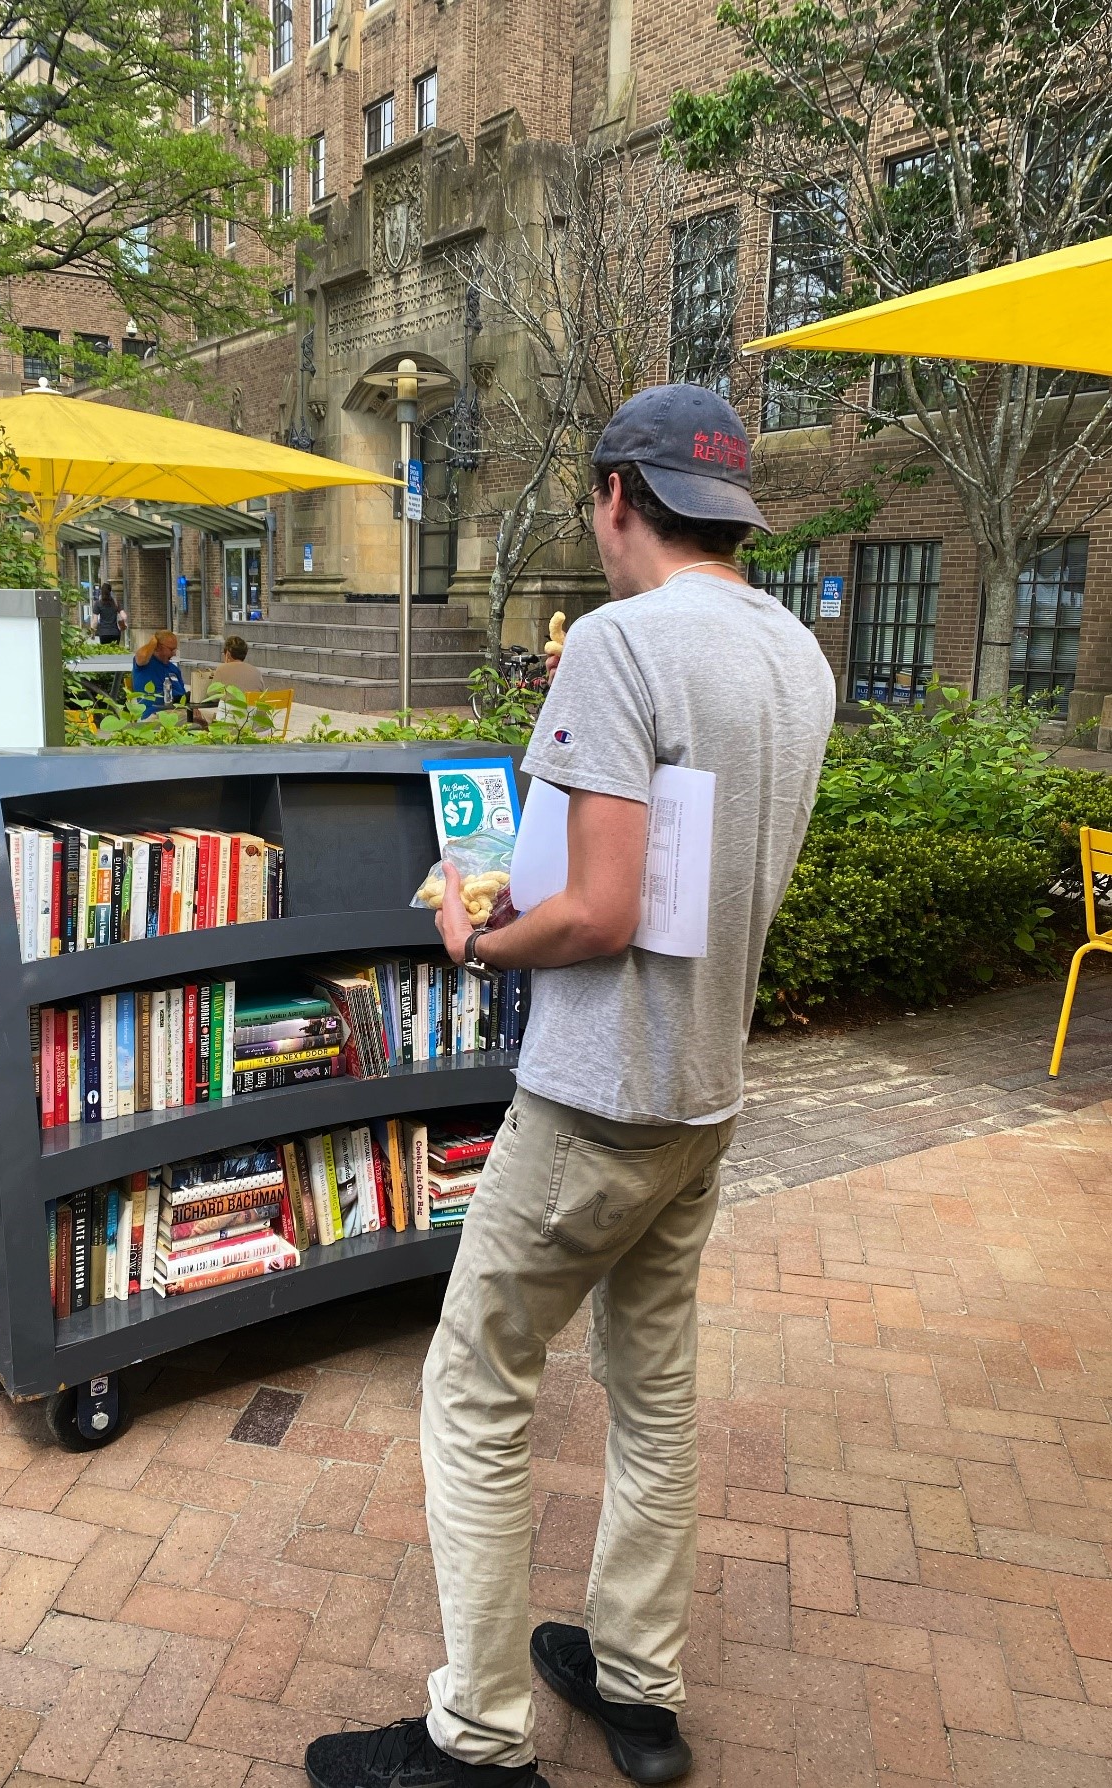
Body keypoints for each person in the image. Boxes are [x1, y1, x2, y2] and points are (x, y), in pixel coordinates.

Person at [303, 385, 835, 1788]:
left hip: (594, 1095)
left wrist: (475, 935)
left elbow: (593, 913)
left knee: (474, 1382)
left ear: (614, 495)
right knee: (651, 1394)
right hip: (704, 1095)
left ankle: (476, 1740)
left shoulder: (614, 640)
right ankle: (631, 1685)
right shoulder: (794, 655)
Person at [132, 630, 186, 714]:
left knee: (210, 718)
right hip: (154, 713)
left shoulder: (174, 669)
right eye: (171, 650)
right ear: (157, 647)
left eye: (175, 650)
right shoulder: (146, 663)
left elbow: (183, 694)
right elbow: (142, 656)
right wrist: (153, 641)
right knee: (197, 722)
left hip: (178, 710)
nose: (174, 654)